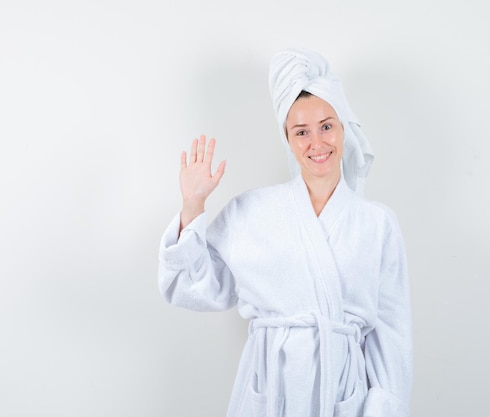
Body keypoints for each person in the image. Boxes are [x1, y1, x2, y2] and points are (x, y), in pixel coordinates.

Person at [157, 48, 412, 417]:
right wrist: (193, 204)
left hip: (344, 397)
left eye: (326, 126)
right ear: (289, 140)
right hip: (267, 393)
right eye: (301, 132)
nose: (317, 142)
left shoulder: (378, 224)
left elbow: (391, 336)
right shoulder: (250, 212)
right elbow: (188, 286)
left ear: (344, 129)